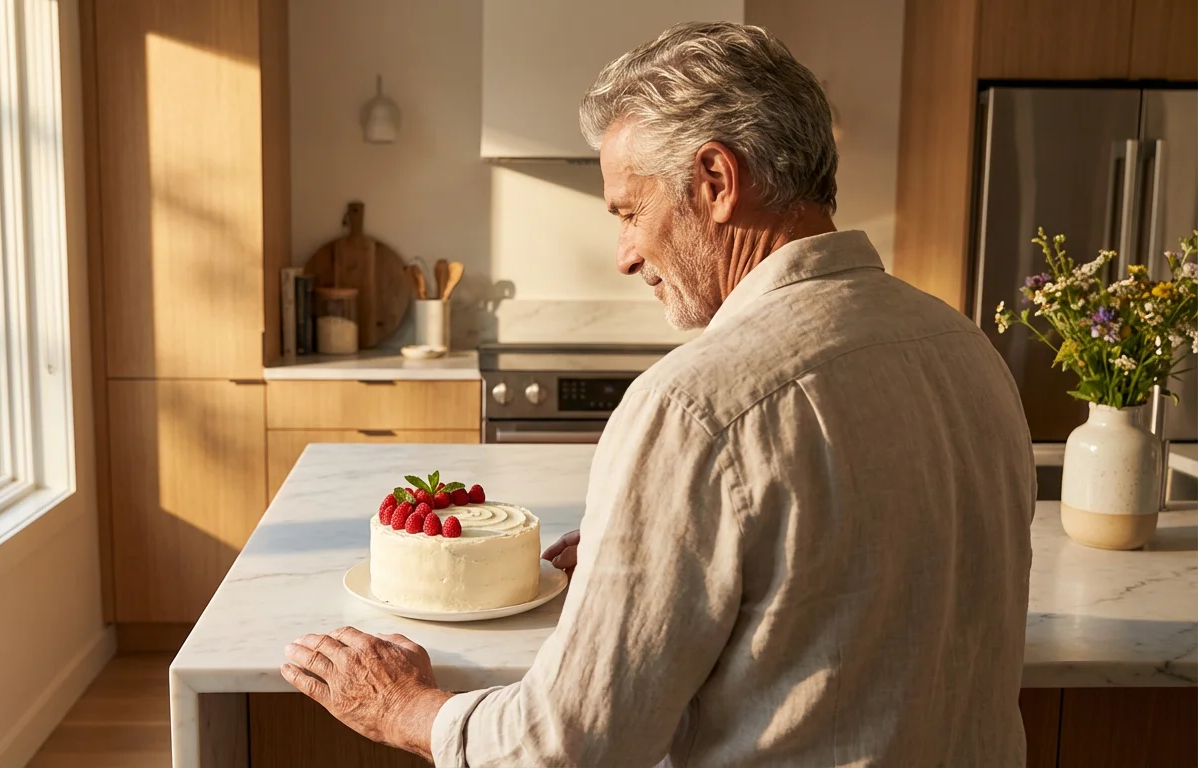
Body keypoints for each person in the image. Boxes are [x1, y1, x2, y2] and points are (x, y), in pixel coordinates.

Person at [280, 21, 1036, 767]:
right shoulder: (965, 350)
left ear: (715, 181)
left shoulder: (696, 406)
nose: (625, 255)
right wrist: (656, 571)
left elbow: (572, 746)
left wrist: (407, 708)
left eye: (631, 211)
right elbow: (854, 597)